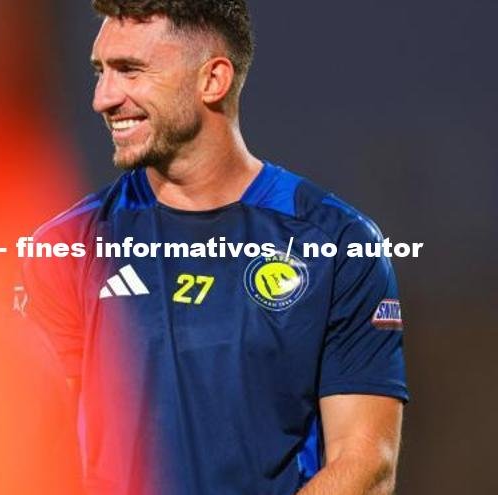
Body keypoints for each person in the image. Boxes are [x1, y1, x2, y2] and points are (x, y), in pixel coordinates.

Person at [21, 1, 408, 494]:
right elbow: (32, 452)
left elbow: (366, 462)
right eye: (101, 72)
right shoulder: (66, 249)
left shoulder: (337, 244)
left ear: (213, 80)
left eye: (130, 71)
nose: (103, 98)